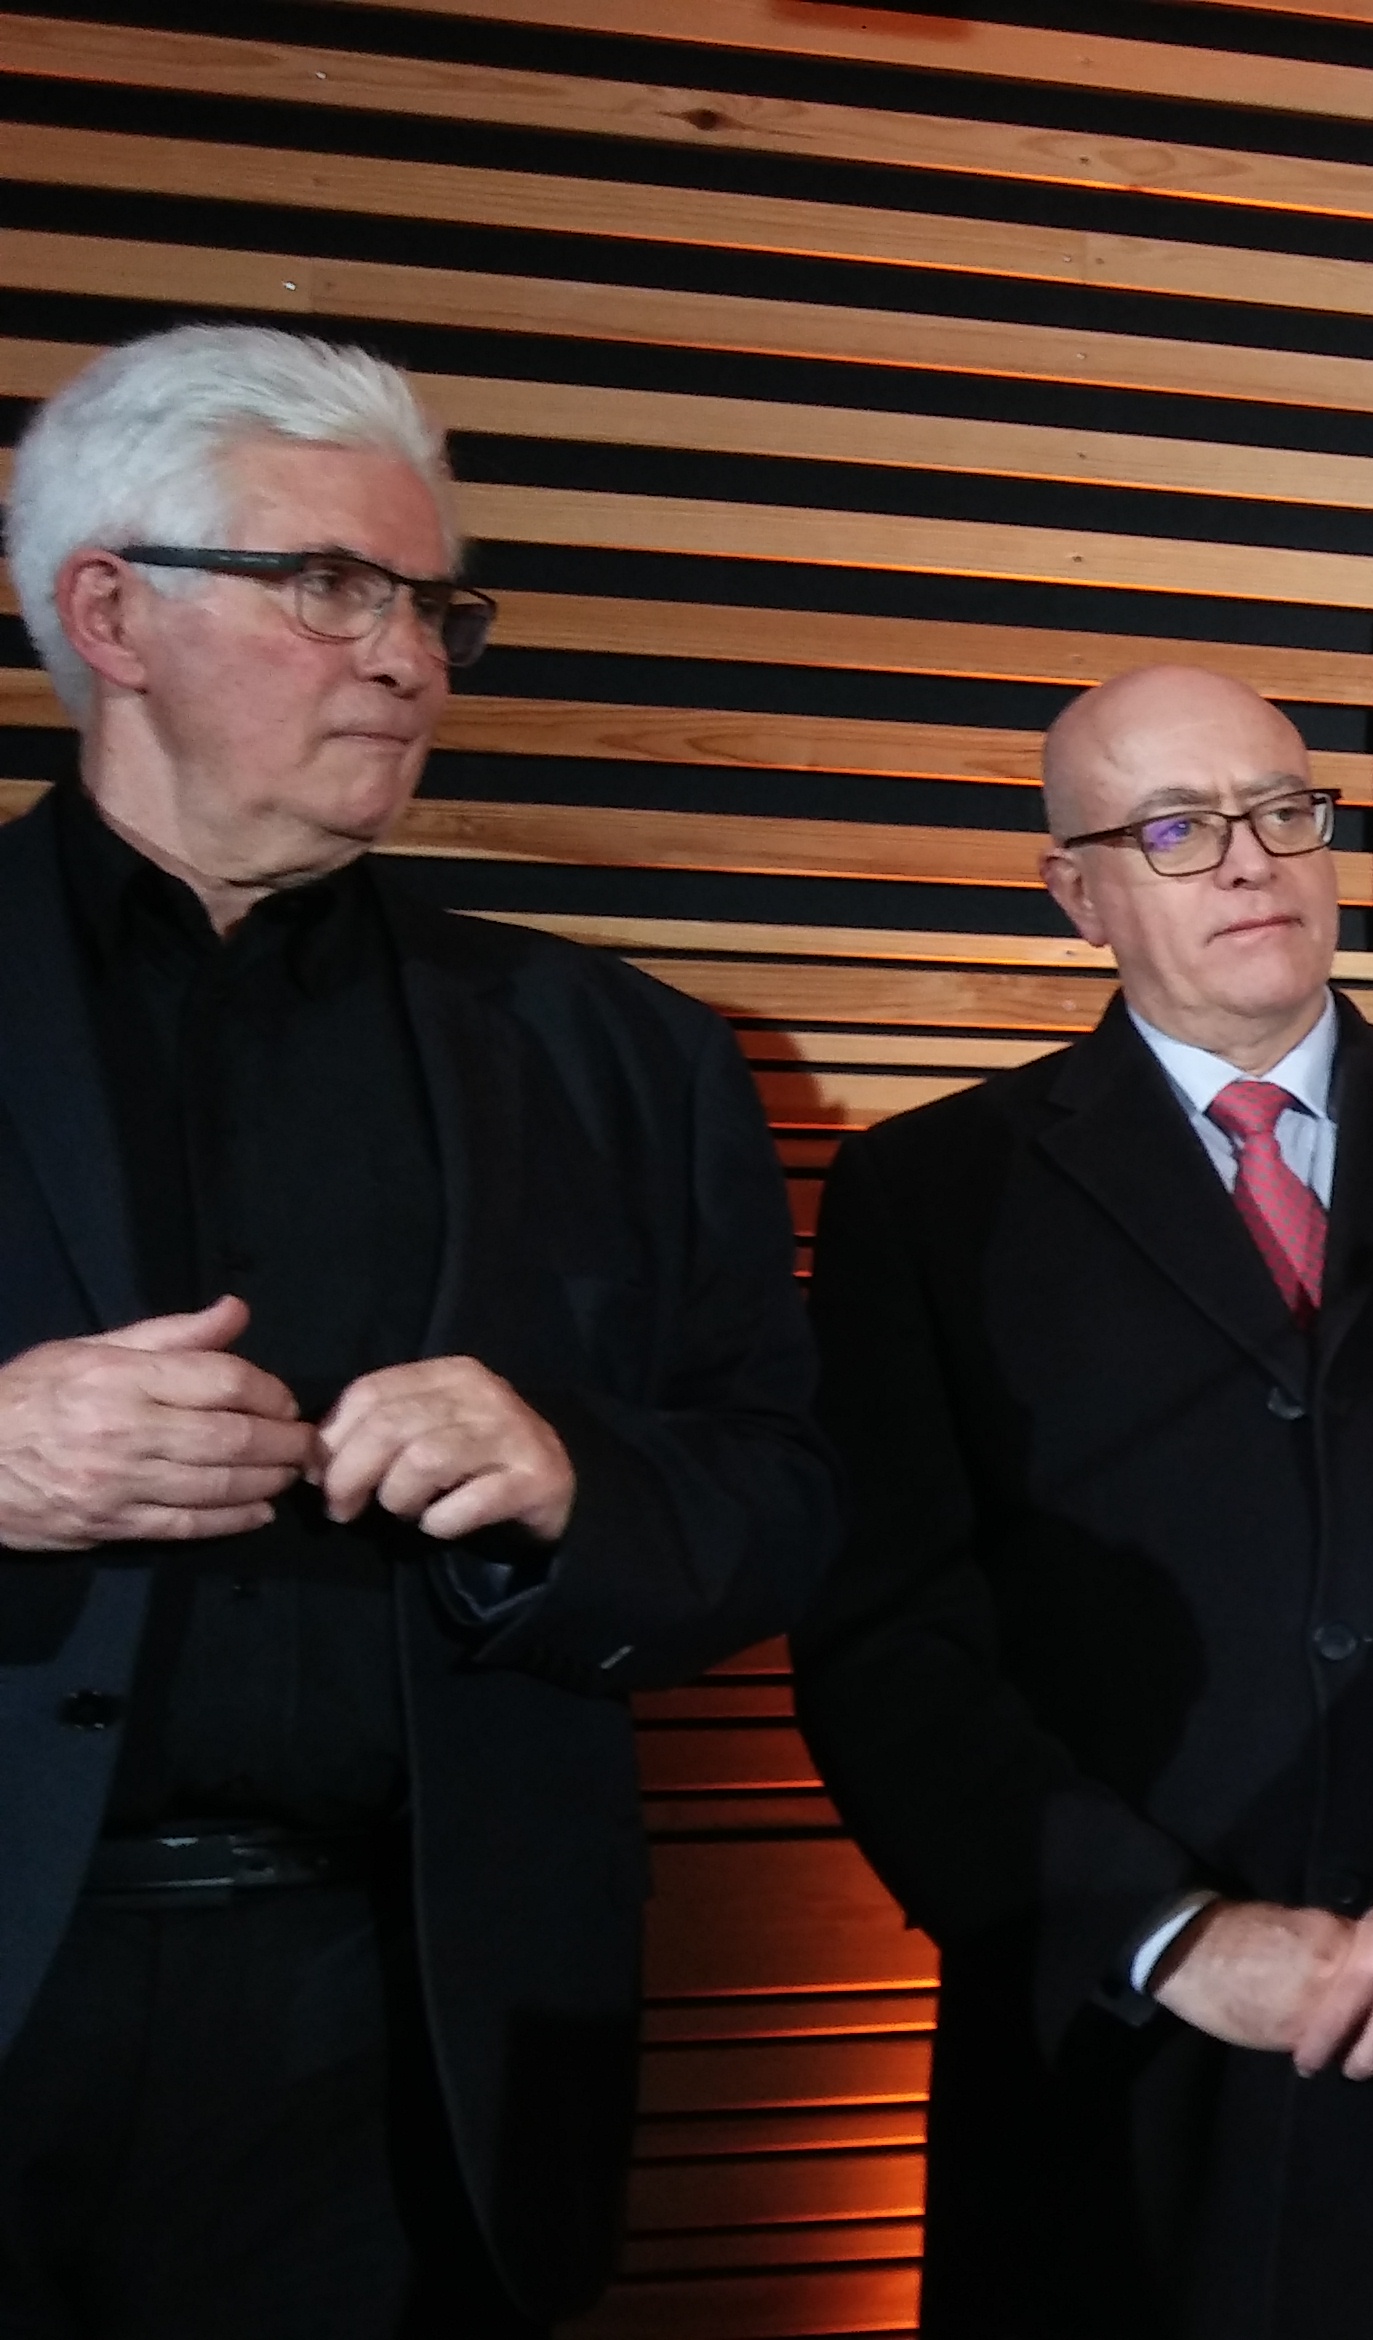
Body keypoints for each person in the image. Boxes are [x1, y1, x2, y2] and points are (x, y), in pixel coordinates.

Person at [0, 324, 831, 2331]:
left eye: (431, 606)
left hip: (416, 2049)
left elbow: (782, 1500)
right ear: (109, 613)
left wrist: (572, 1484)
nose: (407, 660)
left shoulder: (622, 1055)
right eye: (328, 588)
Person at [789, 665, 1373, 2336]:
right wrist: (1170, 1935)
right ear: (1078, 895)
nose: (1252, 860)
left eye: (1284, 810)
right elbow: (887, 1639)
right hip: (1124, 2062)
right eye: (1176, 830)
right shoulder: (929, 1193)